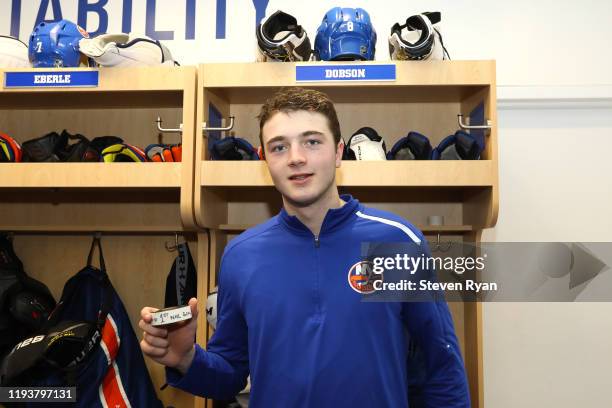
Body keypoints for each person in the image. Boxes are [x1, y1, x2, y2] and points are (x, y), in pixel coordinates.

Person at [139, 87, 470, 407]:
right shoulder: (241, 257)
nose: (296, 158)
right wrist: (186, 359)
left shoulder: (398, 242)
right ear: (263, 159)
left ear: (339, 152)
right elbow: (230, 375)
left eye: (312, 142)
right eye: (279, 147)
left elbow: (441, 367)